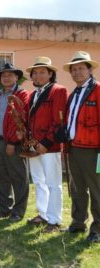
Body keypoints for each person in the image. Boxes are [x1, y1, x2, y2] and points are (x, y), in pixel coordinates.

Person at [25, 56, 67, 232]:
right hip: (34, 145)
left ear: (51, 74)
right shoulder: (33, 94)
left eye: (42, 72)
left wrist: (47, 142)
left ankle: (54, 220)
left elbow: (59, 120)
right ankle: (43, 214)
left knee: (53, 183)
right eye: (35, 72)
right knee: (39, 181)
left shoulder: (58, 90)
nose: (38, 75)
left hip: (50, 146)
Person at [63, 51, 100, 242]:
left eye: (81, 68)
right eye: (74, 69)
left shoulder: (98, 90)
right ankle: (78, 223)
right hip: (73, 148)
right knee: (76, 188)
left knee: (96, 189)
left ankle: (97, 230)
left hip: (93, 150)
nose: (77, 72)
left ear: (89, 69)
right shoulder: (73, 94)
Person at [0, 63, 29, 222]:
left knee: (18, 176)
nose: (6, 77)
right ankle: (4, 209)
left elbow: (19, 119)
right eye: (3, 75)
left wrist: (12, 142)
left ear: (16, 77)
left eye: (10, 75)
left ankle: (18, 211)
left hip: (13, 143)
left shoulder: (22, 94)